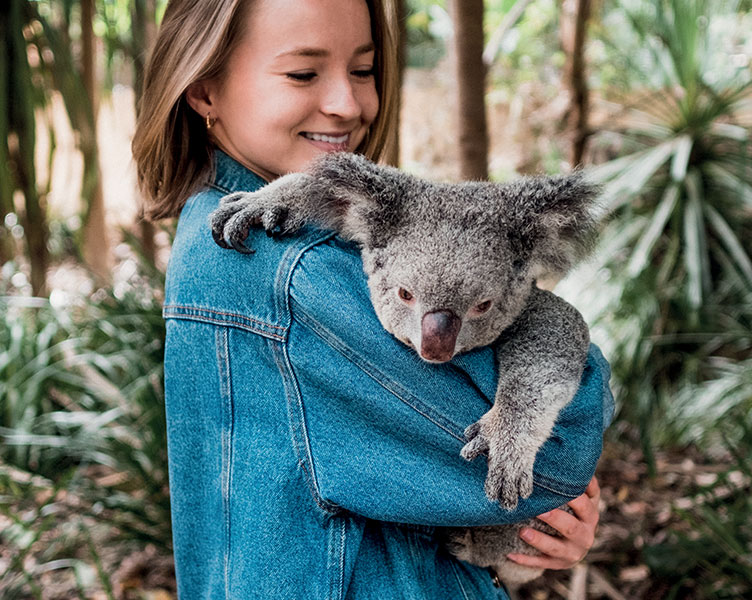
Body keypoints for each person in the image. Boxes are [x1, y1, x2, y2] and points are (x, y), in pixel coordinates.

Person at [132, 0, 612, 598]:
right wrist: (560, 463)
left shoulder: (221, 222)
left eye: (363, 70)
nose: (347, 103)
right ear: (204, 90)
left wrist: (510, 545)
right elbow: (560, 459)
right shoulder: (291, 272)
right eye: (302, 73)